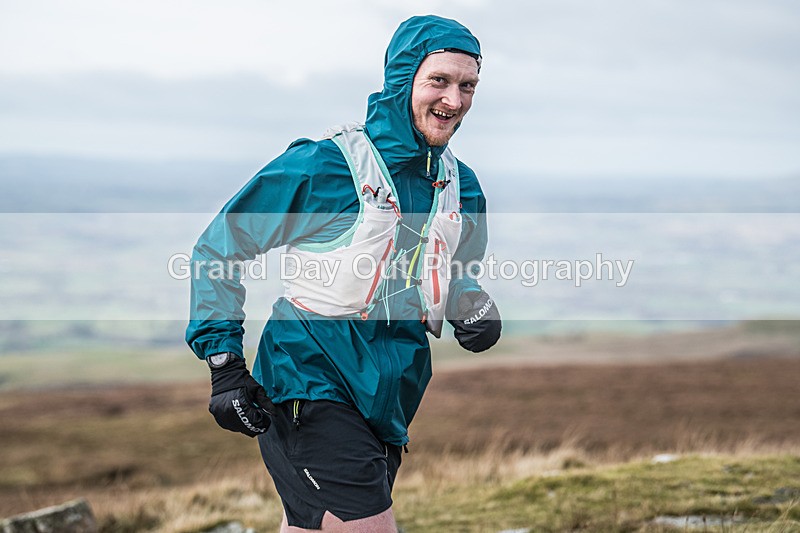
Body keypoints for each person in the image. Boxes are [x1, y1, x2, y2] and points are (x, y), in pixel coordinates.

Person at [186, 14, 501, 532]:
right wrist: (223, 361)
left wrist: (472, 306)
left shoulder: (460, 186)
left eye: (468, 86)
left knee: (312, 527)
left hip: (390, 389)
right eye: (439, 81)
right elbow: (220, 248)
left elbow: (455, 273)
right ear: (404, 81)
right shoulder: (325, 166)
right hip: (308, 375)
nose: (455, 100)